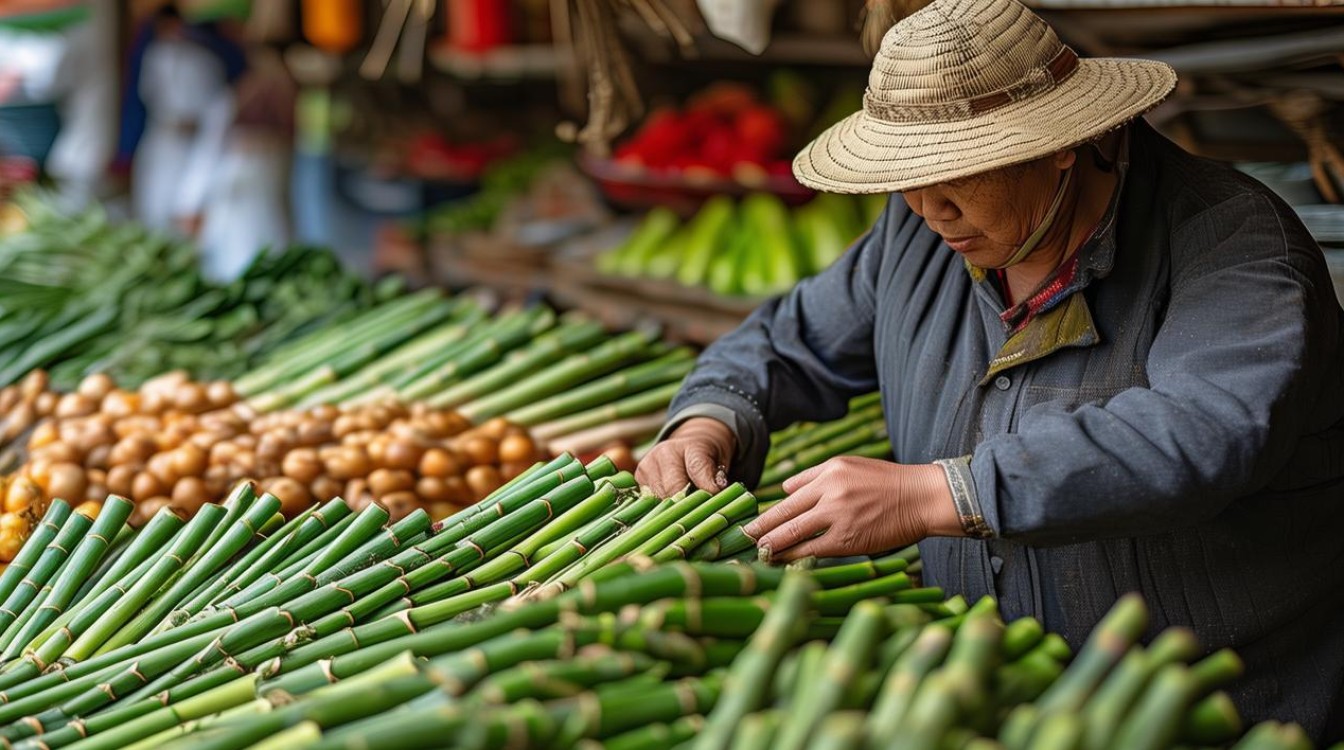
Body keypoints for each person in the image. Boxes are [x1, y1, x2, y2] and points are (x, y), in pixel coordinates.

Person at [636, 0, 1344, 741]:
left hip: (1218, 713)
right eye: (909, 174)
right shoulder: (915, 234)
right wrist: (709, 417)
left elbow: (1206, 430)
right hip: (1015, 701)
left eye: (959, 172)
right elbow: (788, 340)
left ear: (1062, 143)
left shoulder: (1233, 240)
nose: (927, 205)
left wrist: (942, 493)